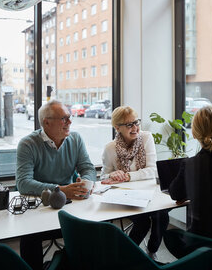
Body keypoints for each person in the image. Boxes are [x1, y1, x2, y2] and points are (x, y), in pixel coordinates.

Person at [16, 99, 97, 270]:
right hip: (40, 207)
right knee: (29, 237)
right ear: (46, 122)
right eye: (64, 118)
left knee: (95, 228)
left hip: (70, 206)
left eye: (69, 117)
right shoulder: (28, 144)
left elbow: (87, 167)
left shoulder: (75, 139)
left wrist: (87, 183)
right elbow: (23, 183)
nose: (70, 122)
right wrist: (59, 190)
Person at [164, 105, 212, 258]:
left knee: (170, 236)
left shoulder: (190, 164)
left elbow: (175, 193)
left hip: (202, 240)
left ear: (194, 133)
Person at [101, 106, 169, 260]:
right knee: (143, 222)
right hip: (125, 196)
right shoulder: (110, 148)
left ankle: (152, 251)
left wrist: (128, 176)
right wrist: (112, 174)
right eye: (129, 124)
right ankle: (127, 256)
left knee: (162, 216)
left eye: (136, 122)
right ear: (117, 127)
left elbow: (153, 170)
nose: (135, 127)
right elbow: (104, 177)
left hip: (149, 193)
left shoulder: (146, 138)